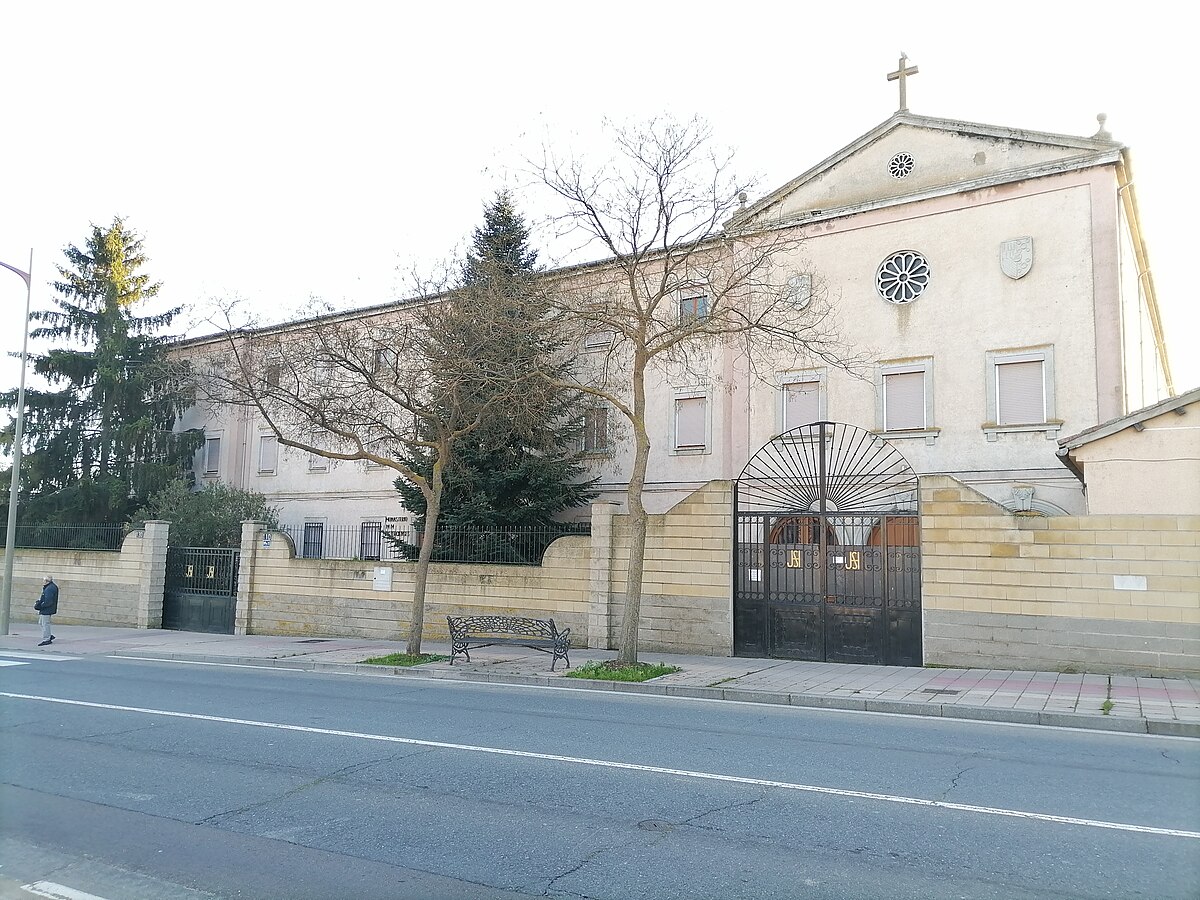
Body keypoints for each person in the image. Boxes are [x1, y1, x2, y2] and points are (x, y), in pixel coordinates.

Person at [34, 576, 58, 646]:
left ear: (47, 581)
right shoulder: (50, 587)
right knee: (41, 622)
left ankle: (47, 639)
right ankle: (49, 635)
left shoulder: (49, 589)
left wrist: (41, 605)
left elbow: (48, 601)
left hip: (47, 609)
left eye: (44, 580)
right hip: (47, 609)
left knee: (45, 624)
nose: (43, 582)